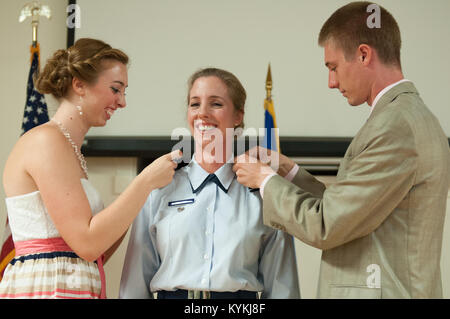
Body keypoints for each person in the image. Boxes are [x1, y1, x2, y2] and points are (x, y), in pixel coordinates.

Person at [233, 1, 450, 298]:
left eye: (333, 67)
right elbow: (350, 210)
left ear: (363, 54)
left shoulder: (394, 127)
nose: (331, 82)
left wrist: (264, 180)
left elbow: (327, 224)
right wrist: (288, 170)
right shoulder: (406, 117)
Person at [0, 38, 180, 299]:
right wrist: (144, 182)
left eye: (124, 92)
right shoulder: (46, 140)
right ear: (79, 85)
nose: (122, 102)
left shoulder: (69, 148)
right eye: (116, 89)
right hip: (46, 288)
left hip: (71, 285)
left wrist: (145, 196)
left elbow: (98, 250)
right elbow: (86, 243)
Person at [119, 68, 299, 299]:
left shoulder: (263, 194)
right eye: (195, 104)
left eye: (215, 104)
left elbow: (283, 289)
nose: (202, 113)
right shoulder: (158, 189)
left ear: (238, 116)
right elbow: (134, 284)